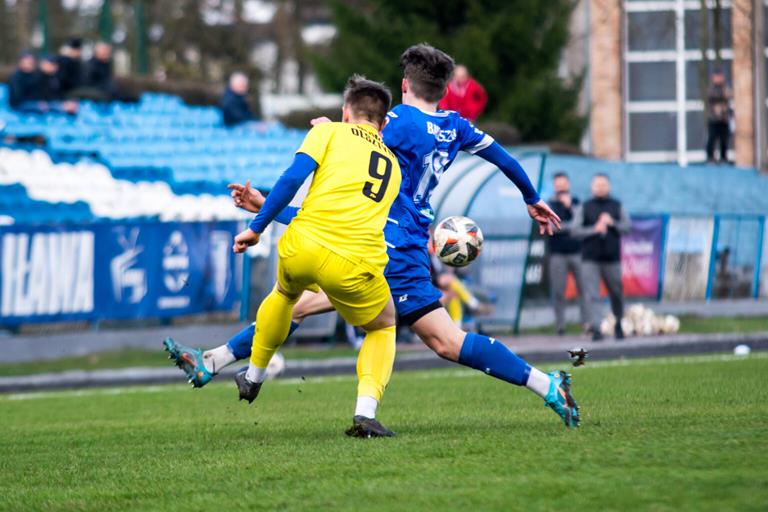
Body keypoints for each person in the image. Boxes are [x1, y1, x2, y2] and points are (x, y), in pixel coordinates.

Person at [165, 44, 580, 430]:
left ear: (404, 85)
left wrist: (330, 133)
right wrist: (532, 198)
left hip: (382, 244)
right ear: (443, 90)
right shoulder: (455, 127)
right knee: (432, 337)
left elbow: (354, 164)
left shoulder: (396, 122)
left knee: (313, 306)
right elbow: (503, 157)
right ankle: (214, 361)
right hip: (407, 245)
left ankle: (229, 366)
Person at [231, 75, 401, 437]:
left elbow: (292, 179)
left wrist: (257, 226)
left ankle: (254, 376)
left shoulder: (327, 132)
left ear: (345, 112)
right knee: (384, 324)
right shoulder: (393, 166)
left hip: (303, 245)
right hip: (354, 262)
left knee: (284, 294)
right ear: (384, 123)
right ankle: (365, 414)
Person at [571, 174, 631, 341]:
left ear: (608, 186)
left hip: (612, 258)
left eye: (603, 185)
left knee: (616, 292)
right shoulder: (584, 206)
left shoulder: (617, 205)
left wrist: (613, 223)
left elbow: (627, 227)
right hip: (590, 258)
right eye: (597, 185)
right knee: (592, 294)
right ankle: (597, 328)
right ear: (592, 187)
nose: (600, 188)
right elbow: (575, 231)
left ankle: (618, 322)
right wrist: (594, 229)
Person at [547, 172, 588, 336]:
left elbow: (582, 224)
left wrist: (570, 207)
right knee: (558, 291)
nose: (561, 187)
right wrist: (571, 226)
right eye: (558, 184)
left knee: (584, 290)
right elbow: (551, 227)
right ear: (554, 186)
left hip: (578, 252)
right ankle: (560, 327)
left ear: (568, 184)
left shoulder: (577, 203)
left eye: (563, 183)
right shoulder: (549, 204)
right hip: (557, 254)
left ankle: (587, 324)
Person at [705, 70, 732, 164]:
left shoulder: (725, 87)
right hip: (713, 119)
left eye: (720, 77)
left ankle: (723, 158)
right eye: (717, 77)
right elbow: (712, 97)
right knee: (712, 139)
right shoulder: (711, 88)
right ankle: (710, 158)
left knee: (724, 140)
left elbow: (729, 95)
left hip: (724, 120)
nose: (719, 79)